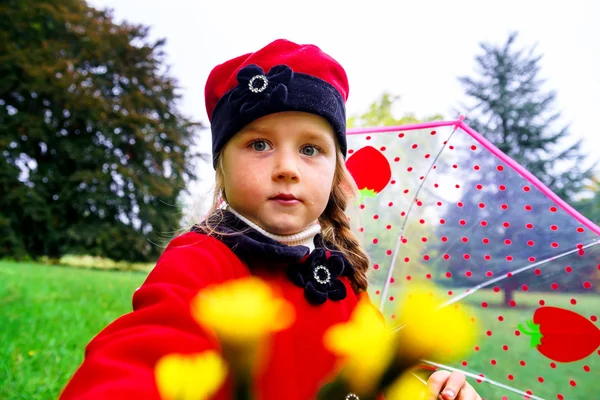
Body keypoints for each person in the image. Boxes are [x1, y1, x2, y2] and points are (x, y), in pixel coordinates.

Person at [59, 39, 481, 400]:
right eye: (259, 144)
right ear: (221, 169)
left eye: (311, 149)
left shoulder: (344, 276)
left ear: (337, 172)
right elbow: (143, 359)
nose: (287, 168)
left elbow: (370, 373)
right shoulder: (204, 260)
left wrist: (427, 383)